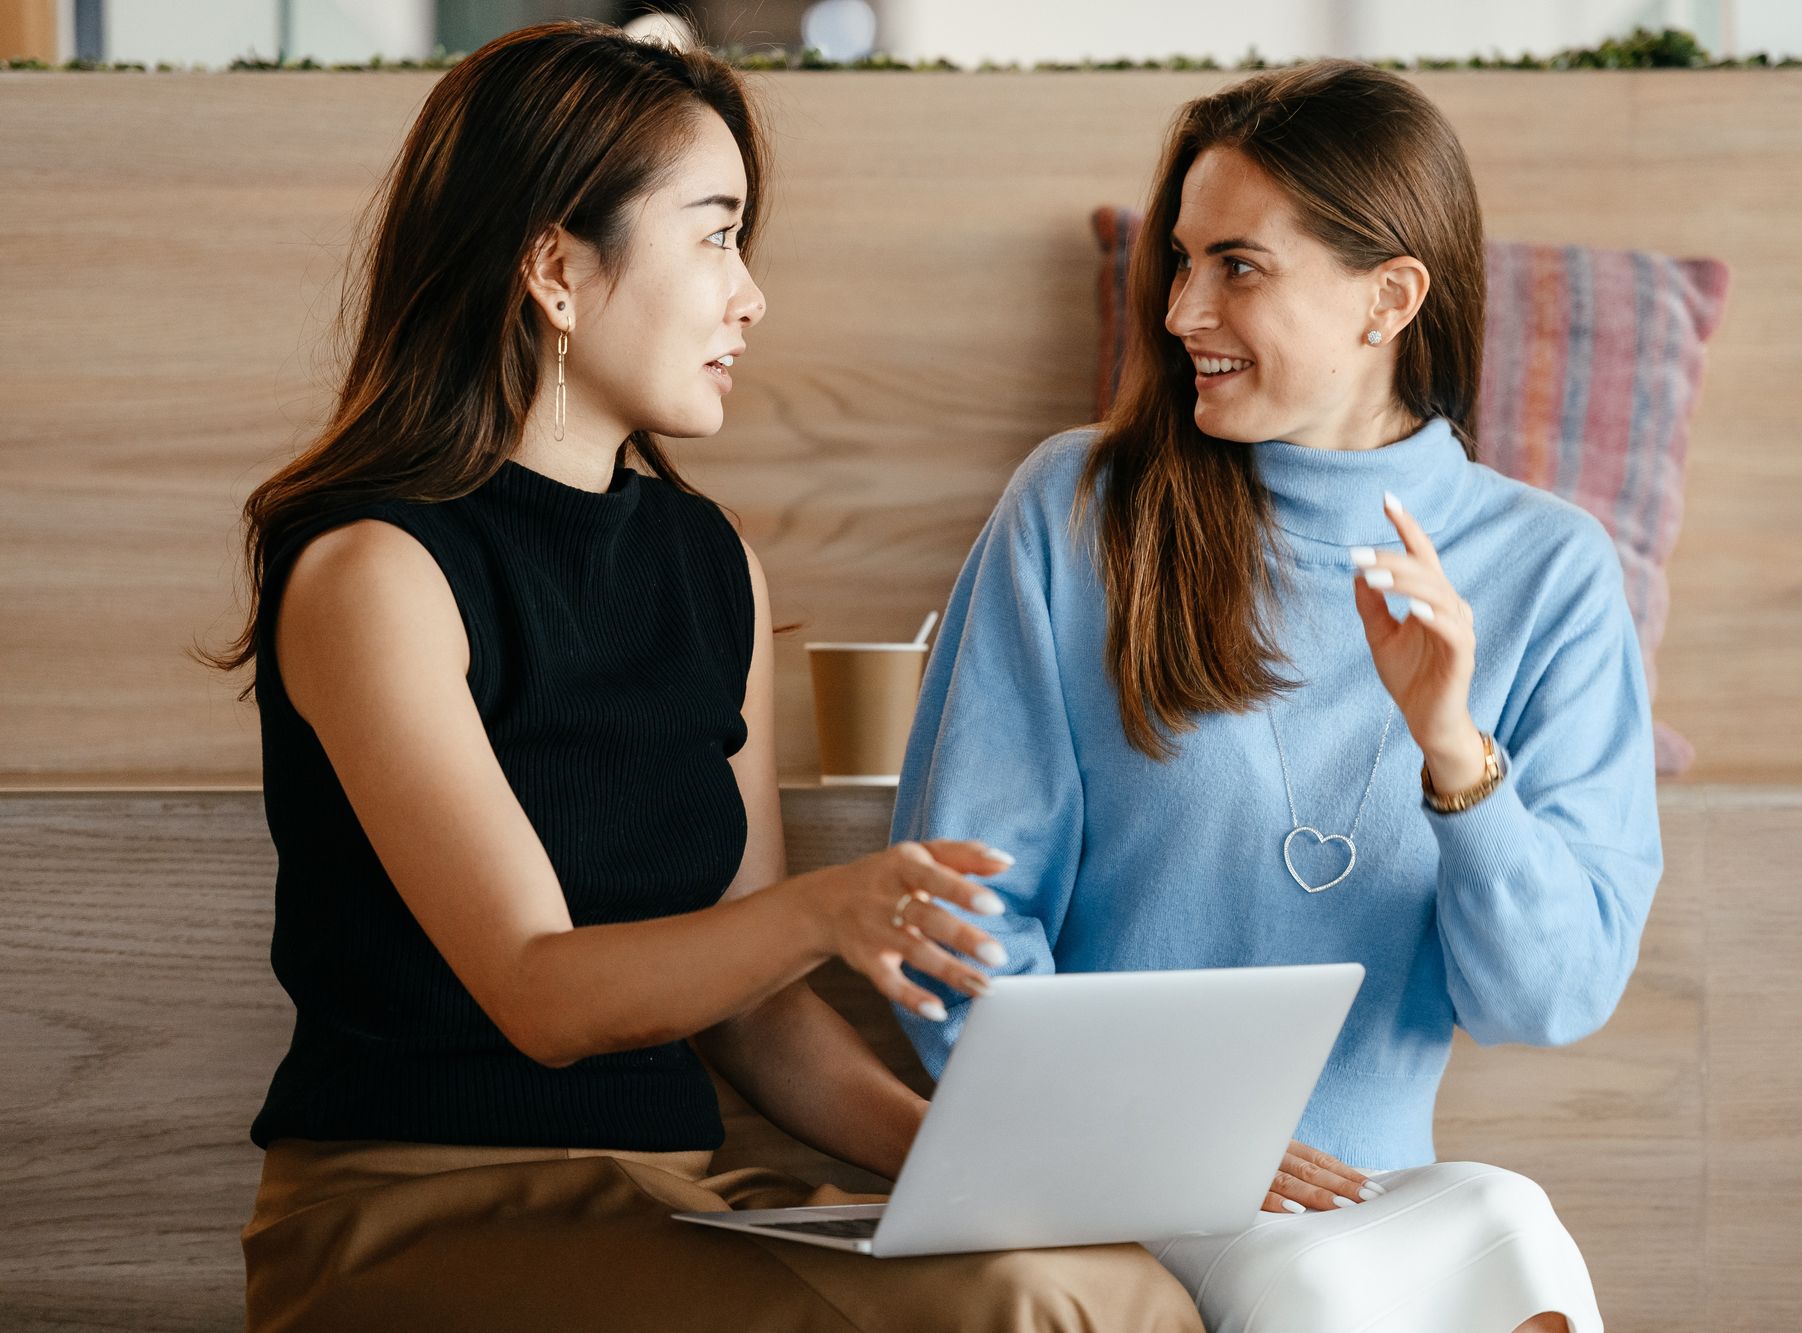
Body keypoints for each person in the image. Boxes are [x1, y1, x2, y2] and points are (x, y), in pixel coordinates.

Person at [198, 21, 1202, 1332]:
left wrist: (1014, 1177)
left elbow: (760, 1024)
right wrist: (827, 910)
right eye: (715, 233)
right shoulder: (375, 573)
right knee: (1024, 1309)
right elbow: (540, 991)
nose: (752, 295)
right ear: (557, 267)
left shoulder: (707, 561)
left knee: (1114, 1281)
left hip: (668, 1199)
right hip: (413, 1212)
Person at [892, 59, 1664, 1333]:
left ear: (1388, 297)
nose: (1182, 307)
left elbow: (1550, 993)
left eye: (1236, 266)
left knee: (1511, 1222)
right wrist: (1158, 1144)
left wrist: (1451, 751)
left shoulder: (1550, 570)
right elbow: (953, 923)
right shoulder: (1077, 509)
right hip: (1111, 1179)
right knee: (1325, 1283)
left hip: (1369, 1185)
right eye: (1178, 260)